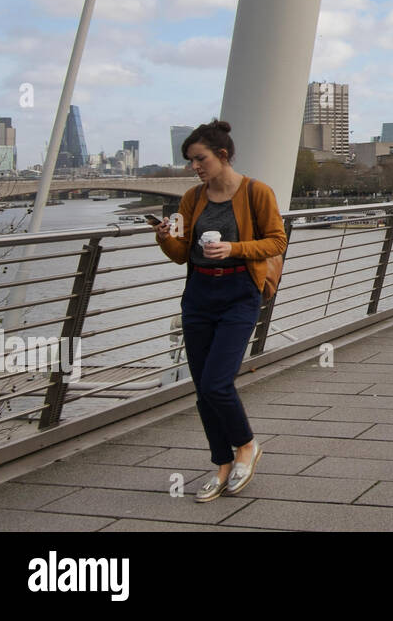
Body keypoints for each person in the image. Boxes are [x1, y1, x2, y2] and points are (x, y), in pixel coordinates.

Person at [152, 119, 287, 503]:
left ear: (222, 155)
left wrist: (234, 248)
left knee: (216, 382)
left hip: (239, 292)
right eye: (191, 161)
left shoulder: (257, 192)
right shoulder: (192, 200)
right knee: (202, 389)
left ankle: (247, 446)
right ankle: (221, 463)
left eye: (200, 159)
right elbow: (181, 256)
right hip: (198, 294)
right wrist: (164, 238)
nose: (195, 167)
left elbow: (276, 240)